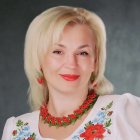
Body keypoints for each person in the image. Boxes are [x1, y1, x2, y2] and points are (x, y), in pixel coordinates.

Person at [2, 6, 140, 140]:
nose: (71, 64)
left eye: (83, 53)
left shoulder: (123, 111)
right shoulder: (15, 130)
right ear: (38, 60)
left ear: (95, 62)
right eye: (58, 51)